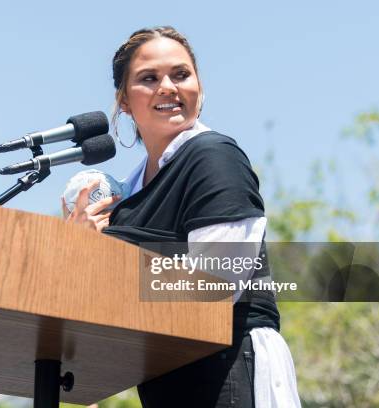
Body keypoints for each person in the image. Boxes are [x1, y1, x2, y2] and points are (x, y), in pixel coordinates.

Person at [62, 26, 301, 407]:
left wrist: (104, 255)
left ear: (200, 89)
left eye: (181, 74)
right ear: (124, 102)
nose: (168, 87)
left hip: (230, 368)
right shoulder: (127, 193)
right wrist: (77, 251)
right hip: (167, 379)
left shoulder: (213, 157)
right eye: (149, 78)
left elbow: (215, 285)